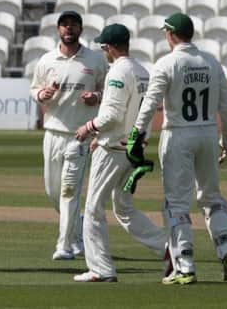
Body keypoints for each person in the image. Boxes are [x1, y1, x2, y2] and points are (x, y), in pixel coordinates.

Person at [128, 13, 227, 285]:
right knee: (212, 197)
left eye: (166, 32)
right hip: (208, 133)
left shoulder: (166, 63)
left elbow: (150, 103)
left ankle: (185, 266)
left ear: (172, 34)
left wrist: (137, 134)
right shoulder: (211, 62)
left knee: (176, 202)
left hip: (178, 135)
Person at [72, 23, 167, 283]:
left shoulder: (117, 70)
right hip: (134, 149)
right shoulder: (141, 70)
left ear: (109, 47)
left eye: (104, 46)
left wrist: (88, 129)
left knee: (93, 209)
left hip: (113, 149)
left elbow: (112, 115)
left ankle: (101, 269)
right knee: (123, 208)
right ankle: (170, 249)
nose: (103, 51)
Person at [30, 10, 108, 261]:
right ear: (58, 29)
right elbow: (35, 89)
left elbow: (109, 92)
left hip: (80, 134)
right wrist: (43, 95)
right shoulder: (46, 60)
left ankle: (64, 246)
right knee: (53, 191)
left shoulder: (95, 60)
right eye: (64, 25)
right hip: (52, 132)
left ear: (80, 29)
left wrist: (96, 97)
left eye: (73, 25)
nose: (69, 29)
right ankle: (77, 232)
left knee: (69, 191)